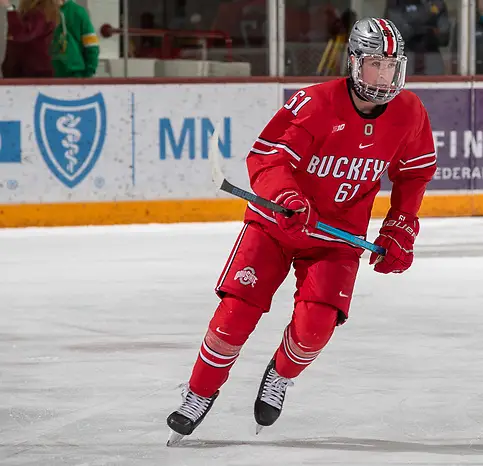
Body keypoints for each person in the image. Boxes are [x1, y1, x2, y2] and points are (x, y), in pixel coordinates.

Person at [165, 17, 437, 445]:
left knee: (315, 329)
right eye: (374, 65)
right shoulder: (315, 103)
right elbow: (267, 161)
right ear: (353, 62)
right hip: (275, 227)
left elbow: (414, 174)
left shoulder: (410, 113)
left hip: (336, 240)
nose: (383, 76)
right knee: (234, 316)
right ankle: (198, 392)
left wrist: (400, 227)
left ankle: (280, 374)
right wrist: (289, 198)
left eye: (390, 66)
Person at [1, 0, 60, 78]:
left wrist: (9, 8)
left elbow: (22, 34)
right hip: (28, 71)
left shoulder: (39, 14)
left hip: (31, 73)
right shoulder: (42, 12)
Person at [50, 0, 99, 78]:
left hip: (75, 74)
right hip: (48, 74)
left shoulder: (78, 12)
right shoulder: (42, 12)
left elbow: (91, 45)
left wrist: (89, 70)